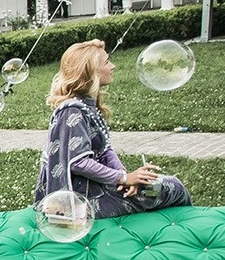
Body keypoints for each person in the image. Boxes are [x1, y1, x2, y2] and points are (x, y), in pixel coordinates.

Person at [33, 39, 192, 218]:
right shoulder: (71, 111)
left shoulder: (87, 105)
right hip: (81, 202)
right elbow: (78, 162)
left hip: (98, 188)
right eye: (107, 62)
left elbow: (105, 150)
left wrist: (125, 177)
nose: (113, 66)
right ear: (91, 71)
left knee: (166, 185)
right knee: (173, 188)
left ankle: (183, 227)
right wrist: (123, 178)